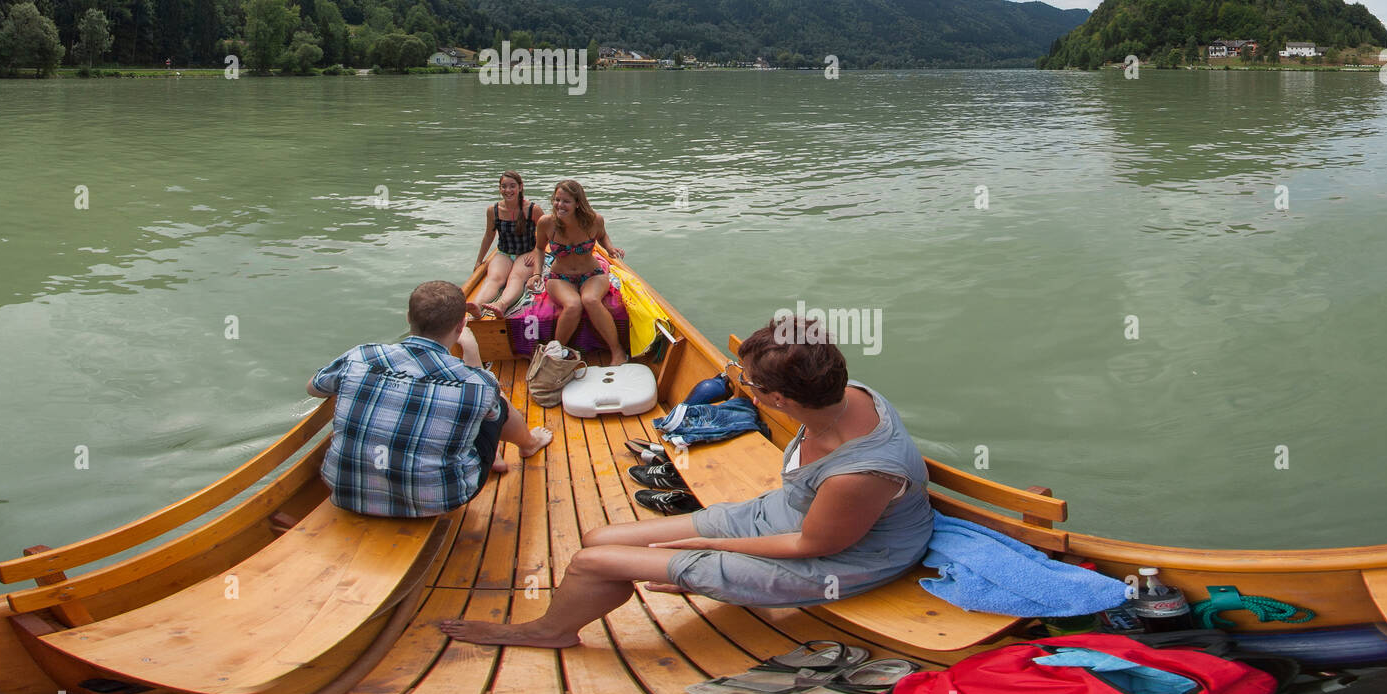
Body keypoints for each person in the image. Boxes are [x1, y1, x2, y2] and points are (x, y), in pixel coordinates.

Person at [441, 319, 931, 646]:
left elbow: (811, 545)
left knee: (593, 562)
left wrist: (708, 548)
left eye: (751, 384)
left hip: (840, 558)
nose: (745, 388)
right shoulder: (841, 392)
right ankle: (613, 593)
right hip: (790, 516)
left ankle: (550, 631)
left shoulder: (859, 474)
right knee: (599, 540)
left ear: (779, 399)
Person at [307, 280, 552, 520]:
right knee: (494, 400)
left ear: (408, 317)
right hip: (437, 500)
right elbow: (486, 397)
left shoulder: (362, 355)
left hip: (345, 490)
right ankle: (528, 444)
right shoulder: (475, 382)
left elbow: (314, 387)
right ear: (460, 326)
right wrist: (472, 352)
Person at [535, 179, 623, 354]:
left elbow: (603, 236)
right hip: (560, 278)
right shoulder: (546, 223)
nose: (560, 205)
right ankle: (555, 354)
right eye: (557, 200)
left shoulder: (594, 221)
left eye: (566, 201)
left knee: (590, 300)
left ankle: (617, 351)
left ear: (577, 203)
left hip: (592, 274)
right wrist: (536, 274)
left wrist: (610, 248)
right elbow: (538, 248)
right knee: (573, 305)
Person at [467, 172, 547, 323]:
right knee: (495, 279)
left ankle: (502, 304)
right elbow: (489, 236)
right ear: (499, 189)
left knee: (516, 277)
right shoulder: (493, 210)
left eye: (512, 186)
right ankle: (477, 306)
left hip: (526, 252)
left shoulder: (532, 209)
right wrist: (479, 261)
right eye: (504, 186)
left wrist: (535, 252)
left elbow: (547, 233)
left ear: (520, 187)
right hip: (504, 252)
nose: (508, 190)